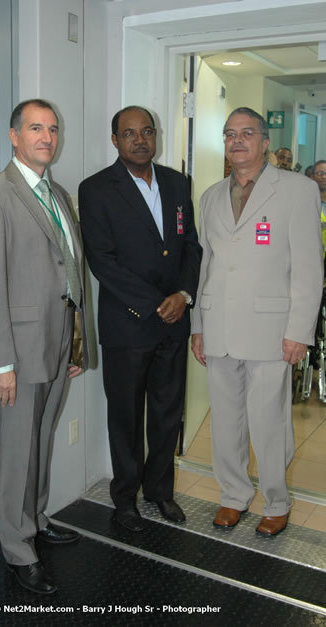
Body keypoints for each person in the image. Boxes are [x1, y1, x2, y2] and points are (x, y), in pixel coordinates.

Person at [0, 99, 88, 594]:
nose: (46, 137)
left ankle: (34, 520)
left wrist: (76, 344)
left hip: (58, 345)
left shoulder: (56, 193)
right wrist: (0, 364)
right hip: (19, 348)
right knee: (19, 450)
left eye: (53, 129)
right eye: (35, 128)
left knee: (41, 437)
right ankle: (16, 547)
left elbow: (70, 271)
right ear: (14, 136)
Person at [191, 107, 323, 537]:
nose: (238, 141)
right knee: (225, 420)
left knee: (269, 423)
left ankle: (276, 500)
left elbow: (308, 267)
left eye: (248, 133)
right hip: (220, 326)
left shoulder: (297, 190)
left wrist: (299, 332)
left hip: (272, 330)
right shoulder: (210, 196)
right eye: (230, 133)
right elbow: (205, 266)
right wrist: (198, 325)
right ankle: (232, 496)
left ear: (265, 142)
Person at [79, 106, 202, 532]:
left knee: (168, 414)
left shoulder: (176, 182)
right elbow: (102, 261)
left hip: (174, 323)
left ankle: (160, 492)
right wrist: (156, 303)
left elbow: (191, 247)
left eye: (146, 131)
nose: (139, 139)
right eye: (129, 133)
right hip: (128, 325)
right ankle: (125, 498)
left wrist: (184, 295)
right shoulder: (95, 189)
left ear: (156, 136)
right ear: (115, 140)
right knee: (127, 418)